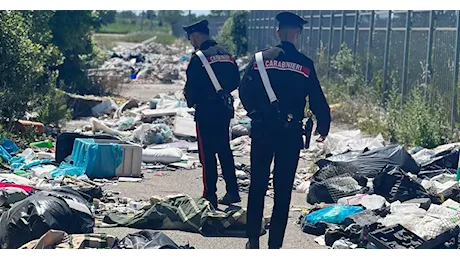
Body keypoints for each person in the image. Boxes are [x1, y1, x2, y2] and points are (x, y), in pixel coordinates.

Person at [239, 12, 331, 249]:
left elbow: (244, 90)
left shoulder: (260, 59)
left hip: (263, 130)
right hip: (290, 134)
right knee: (282, 189)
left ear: (278, 32)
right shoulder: (305, 65)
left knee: (258, 184)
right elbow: (317, 99)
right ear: (297, 35)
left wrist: (256, 114)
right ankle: (275, 245)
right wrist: (323, 126)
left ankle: (252, 240)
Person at [182, 20, 241, 209]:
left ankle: (210, 195)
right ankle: (233, 191)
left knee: (207, 154)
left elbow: (191, 88)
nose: (191, 42)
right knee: (224, 150)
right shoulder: (227, 54)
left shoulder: (199, 57)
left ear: (197, 36)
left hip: (206, 110)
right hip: (224, 108)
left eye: (191, 38)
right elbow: (235, 80)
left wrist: (192, 100)